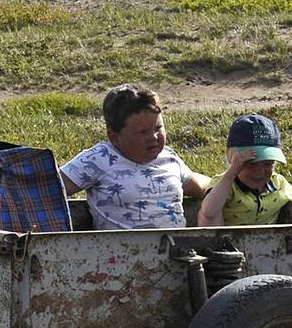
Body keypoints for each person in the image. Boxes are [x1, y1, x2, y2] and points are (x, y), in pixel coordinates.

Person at [60, 83, 212, 229]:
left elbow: (198, 186)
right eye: (142, 132)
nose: (153, 137)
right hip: (120, 252)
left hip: (175, 252)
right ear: (115, 137)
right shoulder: (100, 158)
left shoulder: (169, 158)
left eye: (158, 128)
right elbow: (50, 188)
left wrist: (224, 181)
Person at [198, 114, 292, 226]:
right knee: (208, 216)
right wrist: (231, 173)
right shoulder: (226, 184)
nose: (260, 172)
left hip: (267, 245)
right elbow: (209, 212)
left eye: (268, 164)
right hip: (225, 245)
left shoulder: (277, 183)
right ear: (232, 159)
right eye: (250, 164)